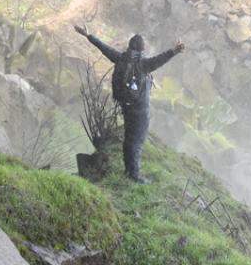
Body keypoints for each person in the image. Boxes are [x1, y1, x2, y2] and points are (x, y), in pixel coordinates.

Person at [74, 24, 184, 182]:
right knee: (136, 142)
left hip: (126, 107)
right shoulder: (144, 64)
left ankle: (128, 170)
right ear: (141, 49)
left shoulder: (120, 58)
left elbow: (103, 47)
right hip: (140, 110)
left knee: (129, 139)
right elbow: (161, 59)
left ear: (130, 46)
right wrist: (175, 50)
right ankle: (134, 175)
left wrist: (87, 35)